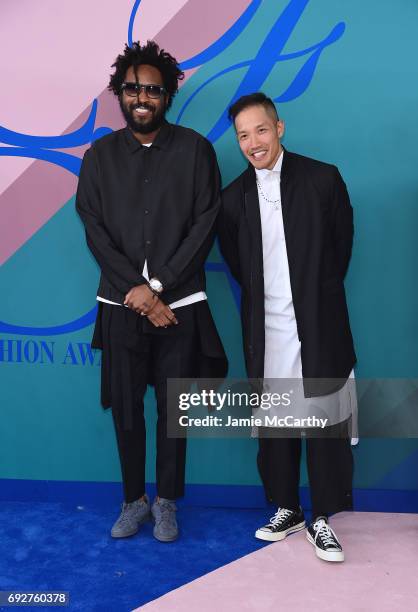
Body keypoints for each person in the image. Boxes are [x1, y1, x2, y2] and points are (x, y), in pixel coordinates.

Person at [76, 41, 226, 542]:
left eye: (153, 90)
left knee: (172, 410)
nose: (142, 97)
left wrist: (157, 287)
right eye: (133, 88)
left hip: (178, 305)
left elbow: (204, 224)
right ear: (121, 93)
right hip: (118, 305)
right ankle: (132, 500)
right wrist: (135, 291)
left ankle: (166, 502)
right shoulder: (99, 156)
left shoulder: (196, 151)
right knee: (125, 408)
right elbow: (93, 227)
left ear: (168, 96)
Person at [219, 93, 356, 562]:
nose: (252, 142)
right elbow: (238, 266)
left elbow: (340, 251)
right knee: (276, 423)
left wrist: (312, 300)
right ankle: (288, 507)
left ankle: (323, 518)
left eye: (260, 130)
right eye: (242, 135)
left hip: (320, 325)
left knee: (322, 421)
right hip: (267, 330)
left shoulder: (323, 179)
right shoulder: (231, 200)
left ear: (279, 128)